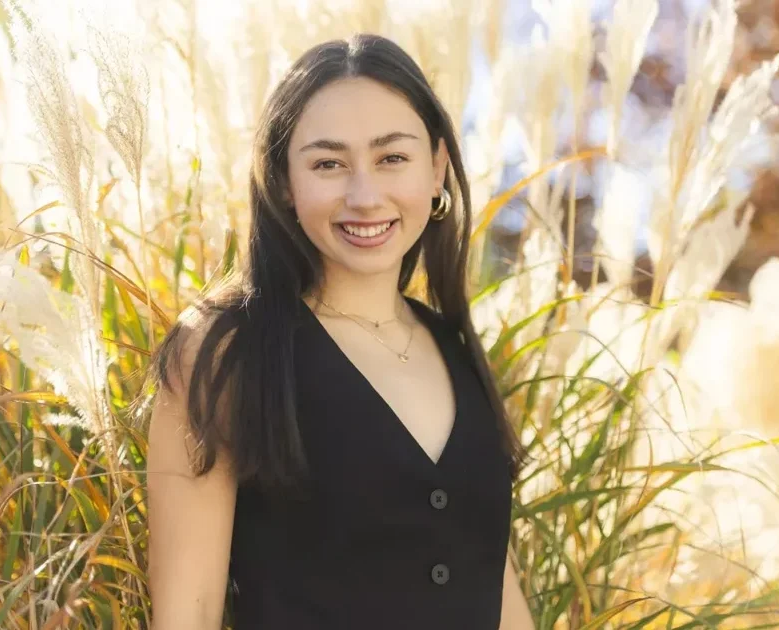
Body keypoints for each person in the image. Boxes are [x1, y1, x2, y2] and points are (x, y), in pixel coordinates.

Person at [146, 33, 535, 630]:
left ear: (436, 169)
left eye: (391, 158)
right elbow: (188, 614)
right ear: (282, 181)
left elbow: (496, 590)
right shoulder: (224, 352)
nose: (364, 195)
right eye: (328, 163)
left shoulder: (454, 348)